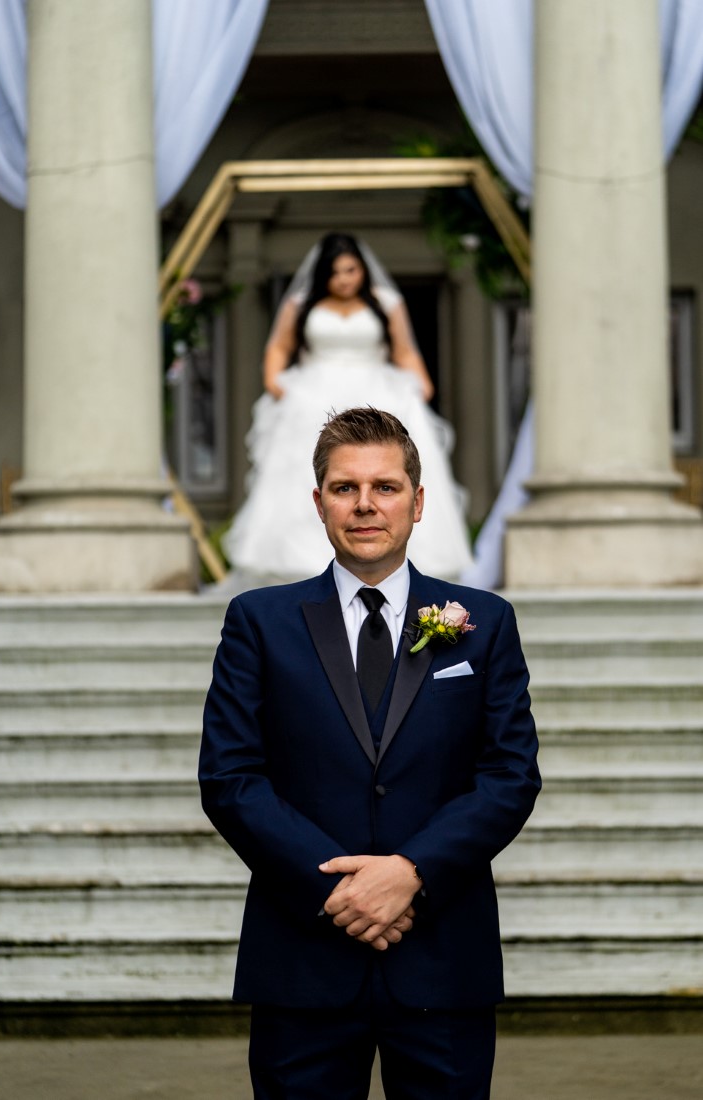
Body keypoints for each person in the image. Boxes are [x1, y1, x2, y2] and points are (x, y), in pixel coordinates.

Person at [200, 407, 541, 1099]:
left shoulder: (483, 622)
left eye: (384, 487)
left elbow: (509, 775)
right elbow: (231, 778)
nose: (363, 505)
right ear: (318, 501)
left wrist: (411, 872)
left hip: (442, 958)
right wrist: (340, 889)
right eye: (343, 487)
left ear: (417, 503)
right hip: (302, 957)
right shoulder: (259, 621)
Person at [223, 233, 474, 580]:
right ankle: (301, 563)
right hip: (312, 395)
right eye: (336, 272)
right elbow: (279, 347)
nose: (344, 279)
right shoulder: (301, 303)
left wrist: (421, 383)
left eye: (351, 270)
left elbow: (404, 350)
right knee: (310, 473)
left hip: (378, 389)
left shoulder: (385, 302)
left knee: (390, 466)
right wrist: (274, 382)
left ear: (363, 269)